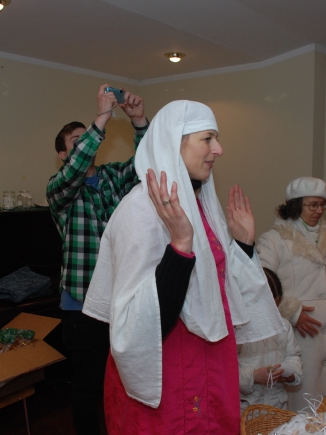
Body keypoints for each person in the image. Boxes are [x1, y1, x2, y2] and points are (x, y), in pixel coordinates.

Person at [83, 100, 285, 434]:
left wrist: (243, 244)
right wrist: (179, 246)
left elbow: (218, 287)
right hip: (167, 380)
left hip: (211, 369)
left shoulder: (201, 204)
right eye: (207, 138)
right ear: (174, 142)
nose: (218, 149)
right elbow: (144, 324)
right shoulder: (139, 211)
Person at [46, 84, 148, 435]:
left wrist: (139, 122)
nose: (84, 145)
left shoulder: (112, 177)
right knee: (88, 388)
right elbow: (75, 170)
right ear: (63, 155)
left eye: (86, 138)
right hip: (82, 309)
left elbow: (147, 165)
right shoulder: (59, 191)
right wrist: (102, 116)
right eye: (76, 141)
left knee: (125, 384)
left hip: (122, 304)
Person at [256, 177, 326, 410]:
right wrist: (292, 312)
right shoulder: (274, 239)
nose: (319, 211)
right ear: (296, 205)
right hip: (297, 336)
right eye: (312, 205)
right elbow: (261, 284)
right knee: (302, 406)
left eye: (322, 205)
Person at [238, 267, 303, 411]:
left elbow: (293, 356)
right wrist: (253, 376)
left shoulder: (284, 326)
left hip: (277, 407)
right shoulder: (238, 330)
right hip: (245, 408)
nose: (272, 314)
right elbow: (225, 372)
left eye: (276, 308)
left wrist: (291, 373)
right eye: (268, 309)